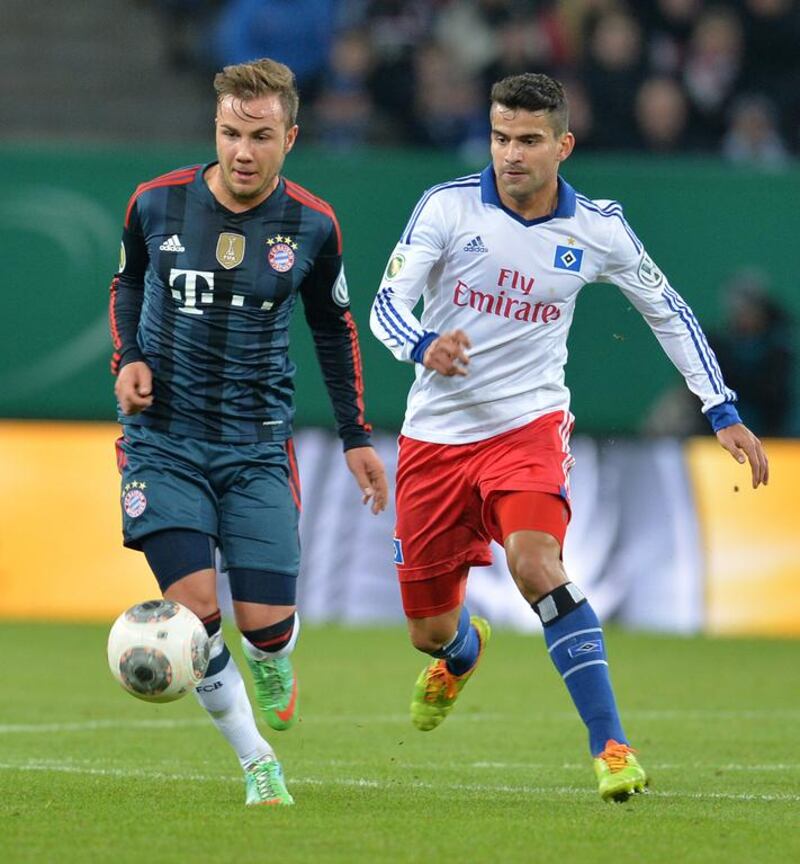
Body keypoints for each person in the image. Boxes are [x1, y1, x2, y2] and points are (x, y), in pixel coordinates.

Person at [370, 72, 768, 802]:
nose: (510, 155)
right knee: (429, 630)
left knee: (535, 565)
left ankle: (611, 747)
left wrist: (722, 409)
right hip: (435, 439)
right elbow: (385, 304)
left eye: (527, 140)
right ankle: (461, 654)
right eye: (499, 137)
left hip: (528, 428)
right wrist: (423, 344)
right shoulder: (447, 208)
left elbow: (669, 311)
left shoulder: (599, 229)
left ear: (563, 145)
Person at [109, 57, 388, 807]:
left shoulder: (314, 225)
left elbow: (334, 329)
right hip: (161, 440)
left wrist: (357, 436)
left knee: (267, 628)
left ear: (289, 137)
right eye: (231, 132)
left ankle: (272, 658)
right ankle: (256, 762)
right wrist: (130, 357)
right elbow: (130, 280)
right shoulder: (156, 204)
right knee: (196, 619)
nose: (242, 150)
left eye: (260, 136)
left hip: (257, 445)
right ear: (216, 128)